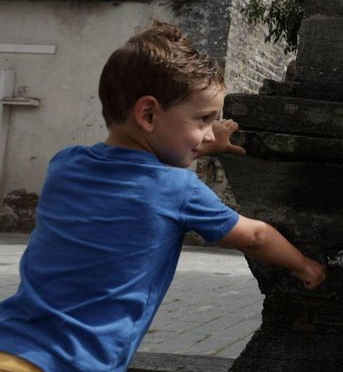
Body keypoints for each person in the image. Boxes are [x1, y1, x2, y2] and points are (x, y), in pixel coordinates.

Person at [0, 22, 326, 372]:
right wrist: (304, 265)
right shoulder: (180, 190)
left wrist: (197, 145)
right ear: (148, 114)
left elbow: (138, 176)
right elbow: (256, 236)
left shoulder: (66, 163)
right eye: (202, 120)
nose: (206, 133)